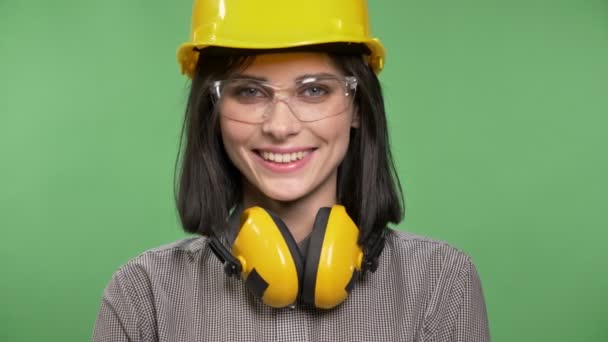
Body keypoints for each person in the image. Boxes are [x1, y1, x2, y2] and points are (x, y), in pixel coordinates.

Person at [92, 0, 490, 341]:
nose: (280, 127)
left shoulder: (439, 282)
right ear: (213, 111)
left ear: (357, 106)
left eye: (314, 90)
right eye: (248, 91)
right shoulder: (143, 294)